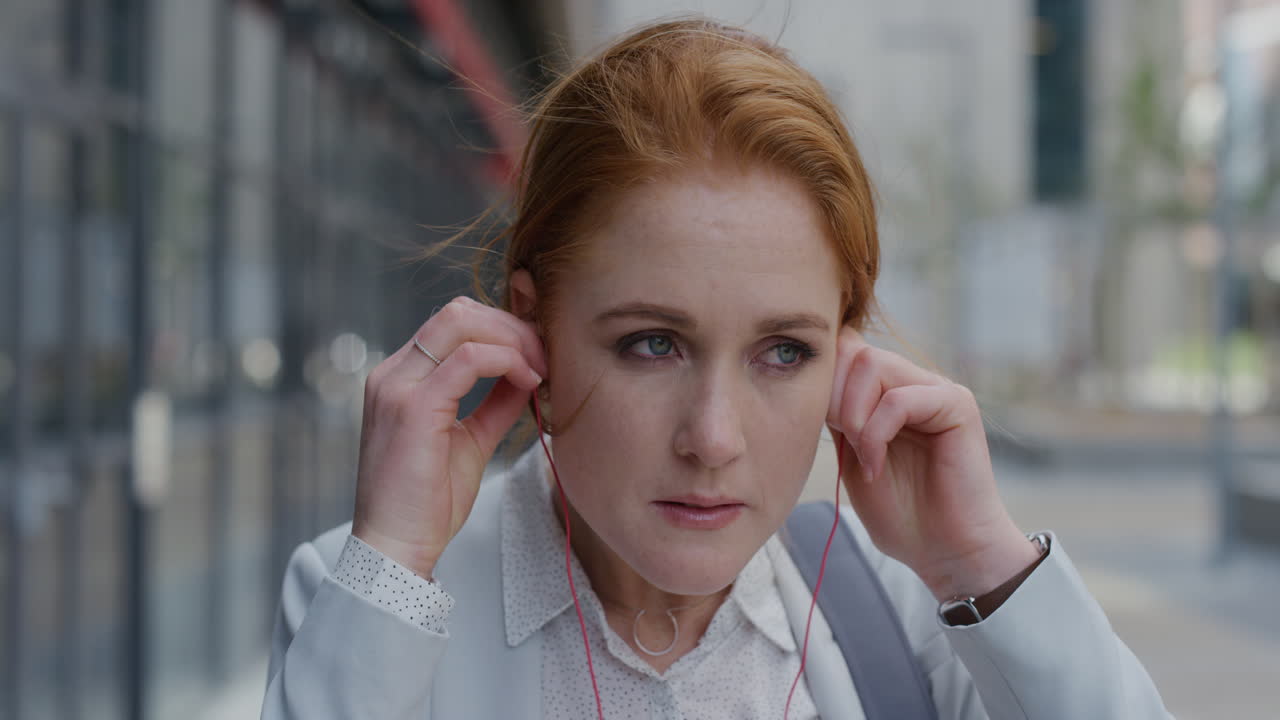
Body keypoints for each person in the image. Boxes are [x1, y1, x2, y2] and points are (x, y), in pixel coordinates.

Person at [261, 16, 1172, 719]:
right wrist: (388, 566)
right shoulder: (375, 600)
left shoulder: (907, 614)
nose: (714, 438)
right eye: (651, 344)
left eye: (784, 352)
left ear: (848, 357)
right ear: (533, 327)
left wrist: (982, 563)